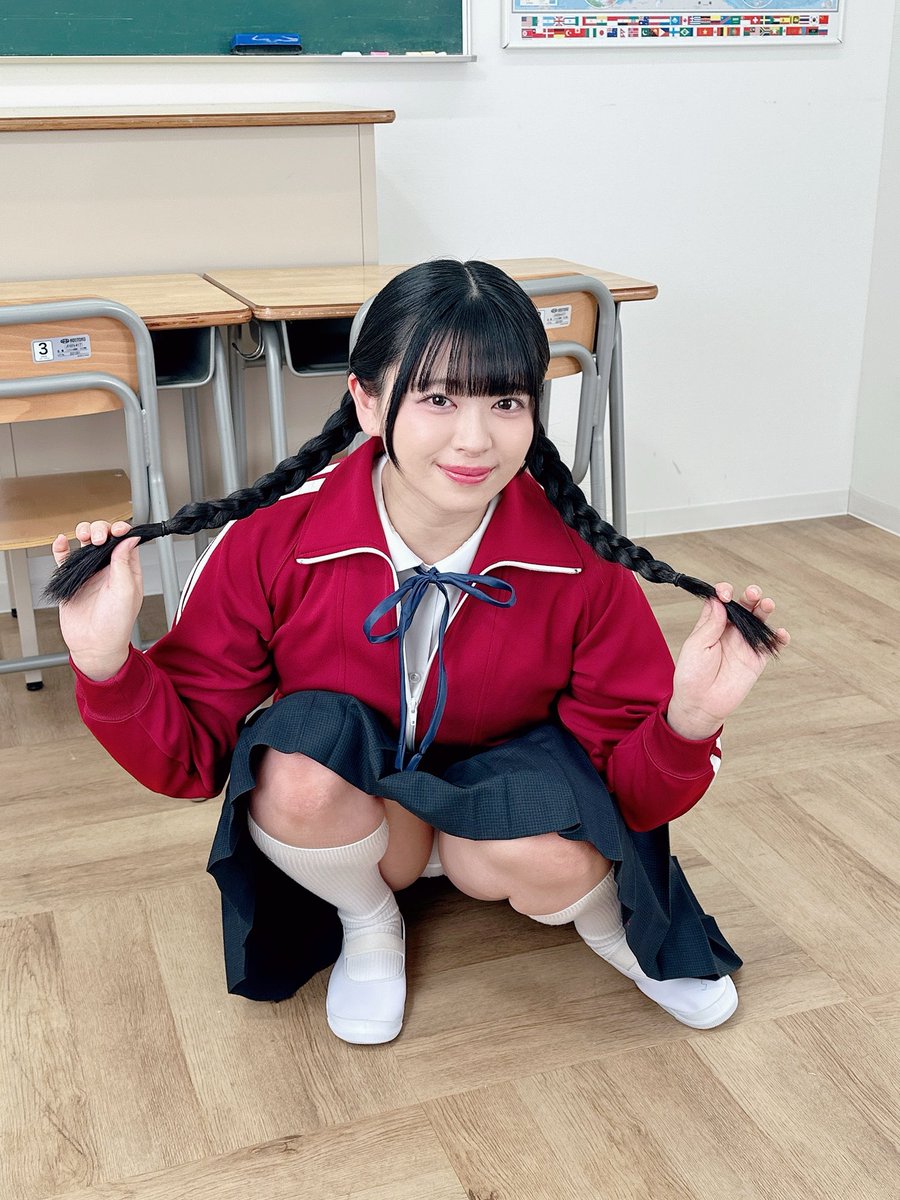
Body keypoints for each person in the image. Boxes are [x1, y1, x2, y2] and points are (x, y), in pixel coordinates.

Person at [49, 259, 789, 1046]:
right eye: (438, 399)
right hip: (365, 810)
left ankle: (615, 928)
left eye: (506, 401)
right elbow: (194, 759)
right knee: (292, 771)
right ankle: (369, 920)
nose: (475, 439)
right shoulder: (272, 541)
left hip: (503, 813)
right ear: (367, 402)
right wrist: (107, 666)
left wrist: (689, 720)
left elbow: (630, 794)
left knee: (559, 855)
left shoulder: (582, 563)